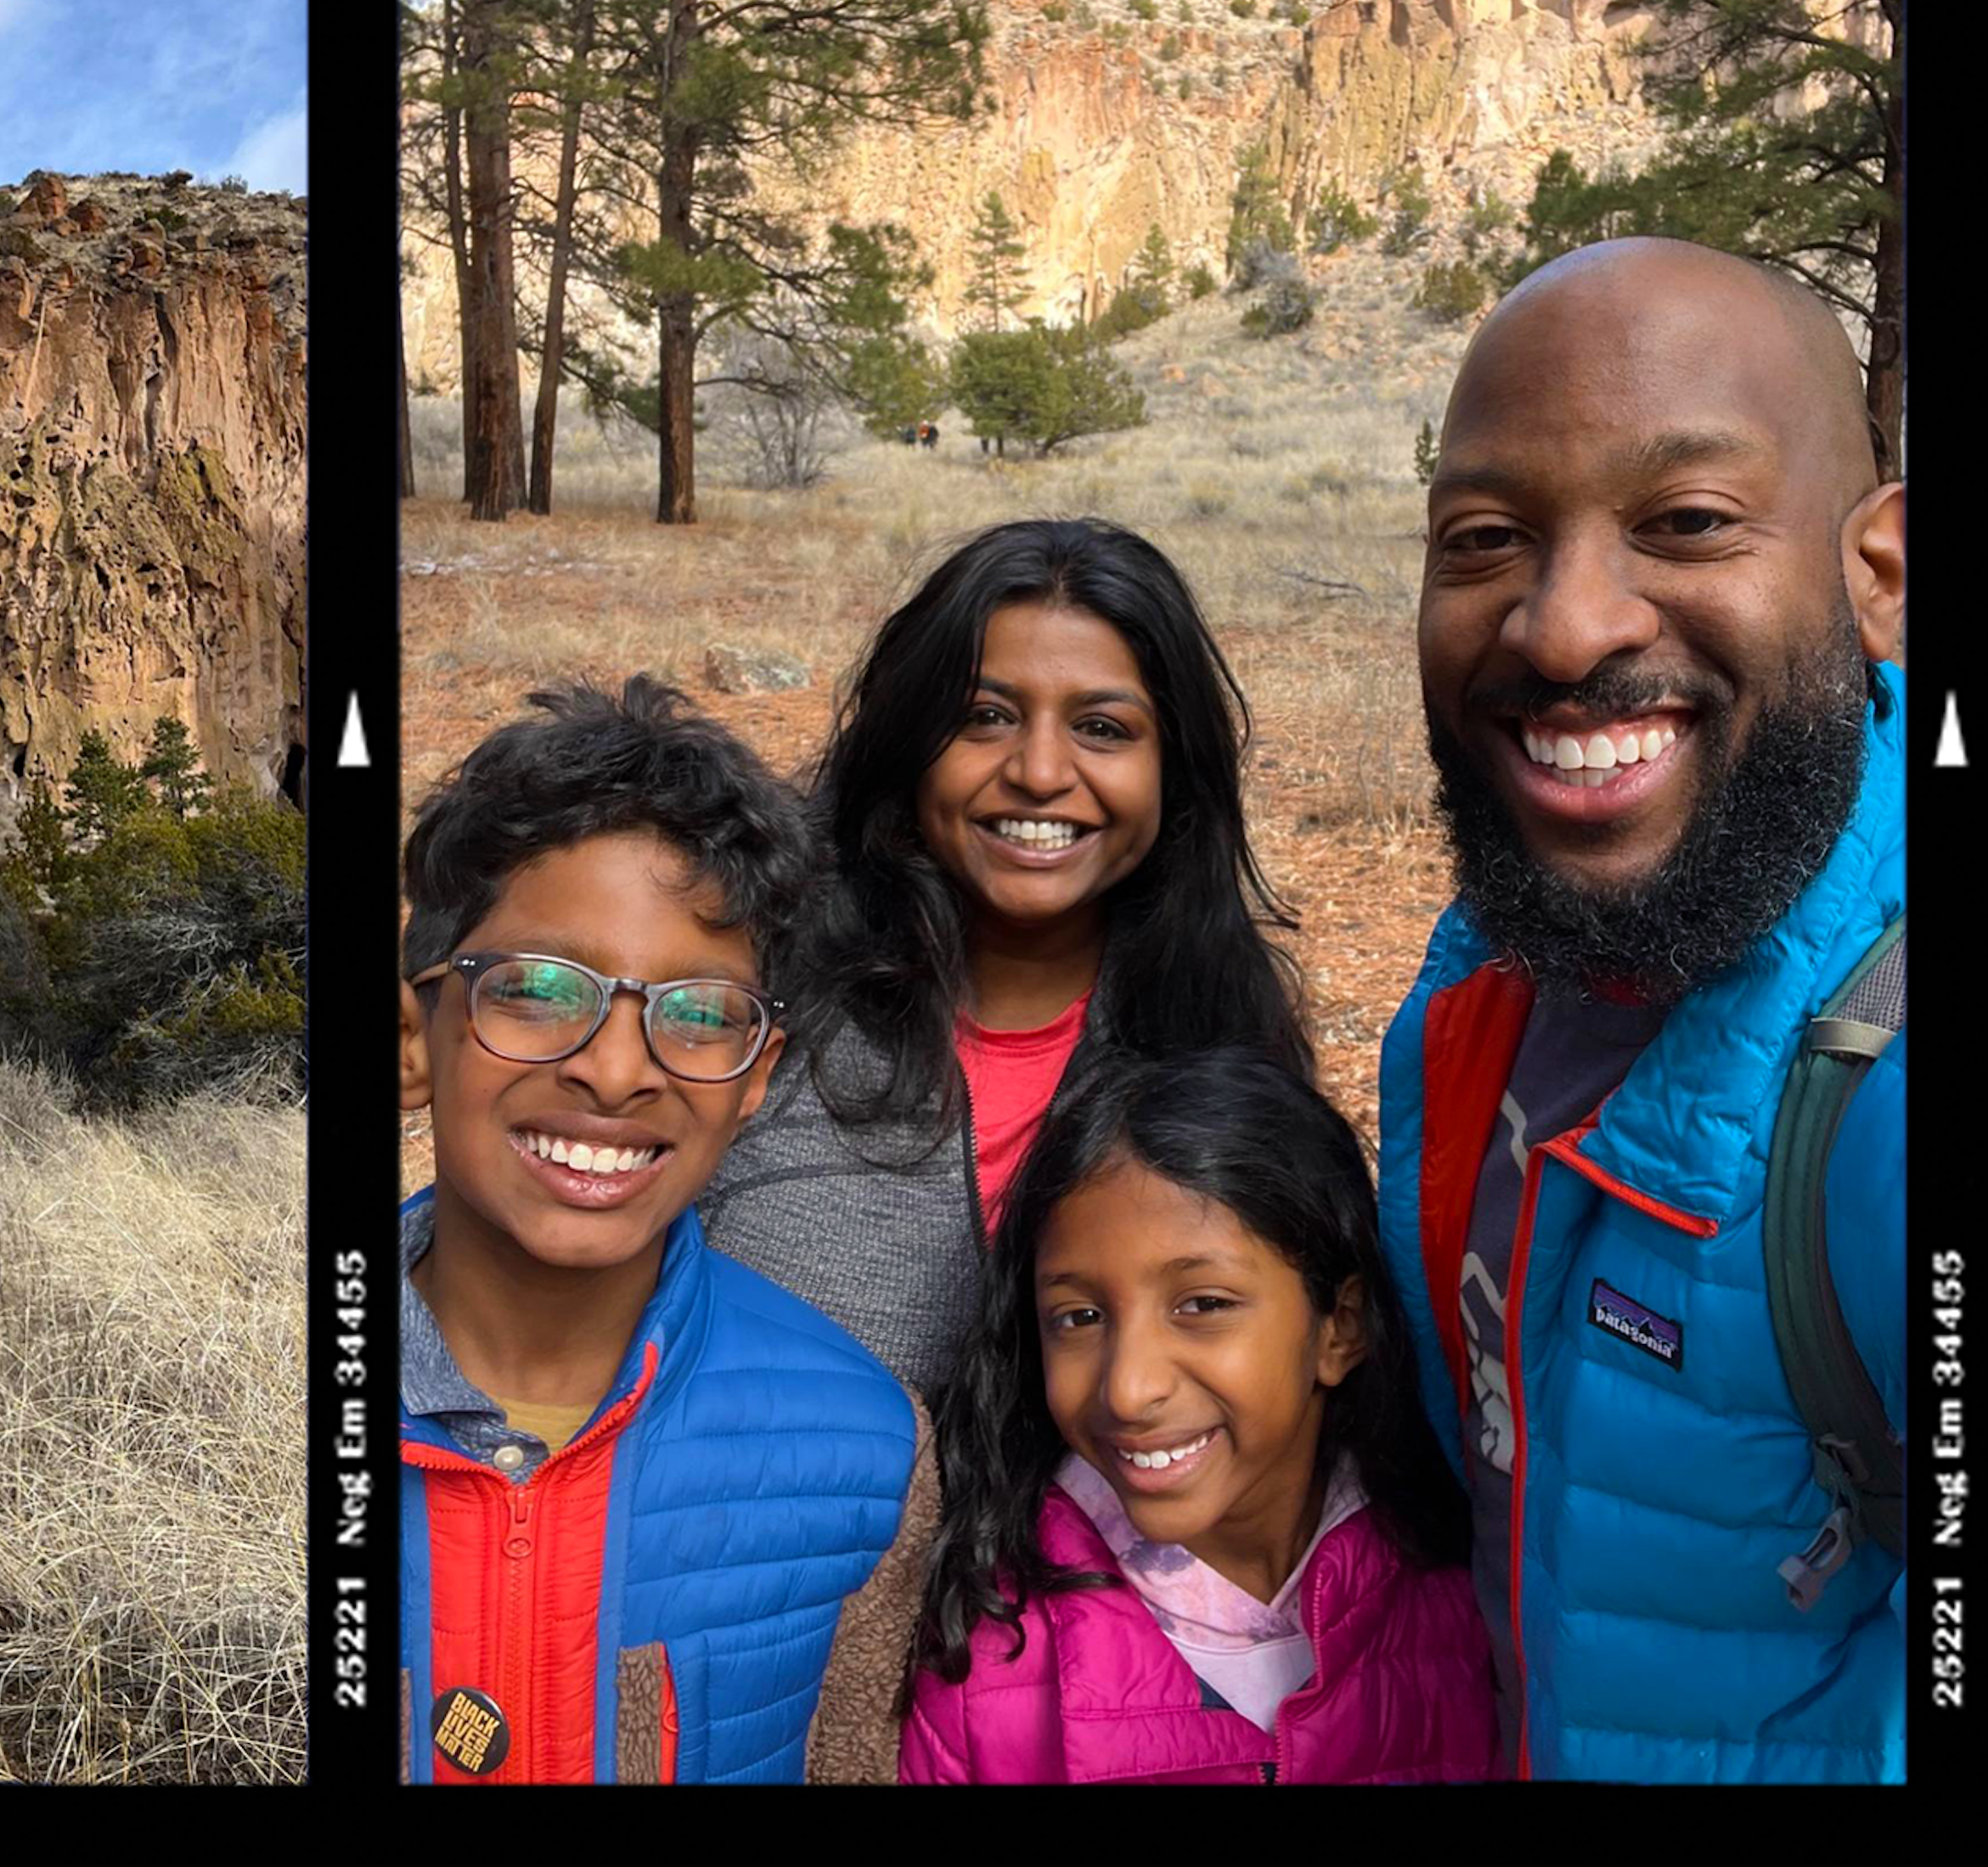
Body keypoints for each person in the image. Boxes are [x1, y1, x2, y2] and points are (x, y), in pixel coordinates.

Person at [1383, 235, 1906, 1780]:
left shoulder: (1876, 1093)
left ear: (1879, 575)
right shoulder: (1478, 966)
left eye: (1684, 521)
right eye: (1486, 536)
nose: (1563, 626)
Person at [397, 678, 935, 1783]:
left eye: (698, 1014)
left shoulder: (865, 1452)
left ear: (755, 1080)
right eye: (540, 988)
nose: (613, 1067)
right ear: (416, 1038)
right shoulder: (239, 1405)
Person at [702, 519, 1311, 1386]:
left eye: (1103, 727)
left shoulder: (1228, 1044)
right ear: (908, 745)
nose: (1038, 770)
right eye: (984, 717)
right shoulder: (760, 992)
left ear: (1175, 772)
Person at [900, 1049, 1495, 1781]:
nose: (1128, 1389)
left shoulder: (1471, 1603)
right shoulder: (990, 1660)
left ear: (1339, 1328)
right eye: (1079, 1316)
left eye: (1203, 1305)